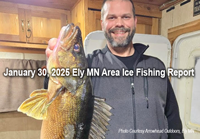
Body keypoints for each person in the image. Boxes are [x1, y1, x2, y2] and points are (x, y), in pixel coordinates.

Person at [45, 0, 184, 139]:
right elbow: (57, 101)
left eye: (126, 17)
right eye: (111, 17)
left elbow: (173, 121)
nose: (119, 23)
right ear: (102, 24)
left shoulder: (157, 67)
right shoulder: (88, 65)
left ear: (135, 21)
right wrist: (53, 66)